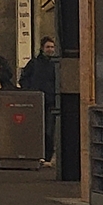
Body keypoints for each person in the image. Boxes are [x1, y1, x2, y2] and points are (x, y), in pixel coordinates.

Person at [19, 36, 58, 165]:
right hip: (36, 101)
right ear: (42, 48)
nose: (50, 49)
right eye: (48, 47)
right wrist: (30, 92)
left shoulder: (56, 64)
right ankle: (36, 154)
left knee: (49, 130)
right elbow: (24, 79)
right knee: (36, 129)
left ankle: (47, 156)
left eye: (52, 47)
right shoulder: (34, 63)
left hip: (51, 101)